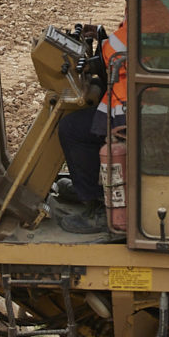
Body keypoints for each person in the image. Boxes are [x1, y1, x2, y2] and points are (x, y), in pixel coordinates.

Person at [51, 24, 124, 235]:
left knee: (73, 129)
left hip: (138, 108)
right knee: (94, 97)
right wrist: (102, 37)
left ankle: (100, 204)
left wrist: (97, 59)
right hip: (133, 97)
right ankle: (88, 187)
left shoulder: (150, 13)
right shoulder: (151, 10)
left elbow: (121, 53)